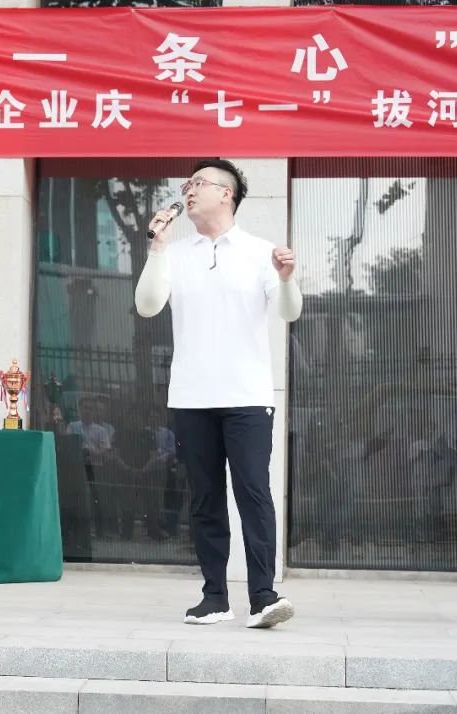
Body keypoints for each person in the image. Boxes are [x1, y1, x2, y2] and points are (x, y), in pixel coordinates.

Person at [134, 159, 303, 628]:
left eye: (199, 183)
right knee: (205, 498)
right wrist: (156, 248)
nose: (188, 191)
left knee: (254, 493)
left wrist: (287, 278)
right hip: (191, 397)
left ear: (227, 194)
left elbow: (289, 312)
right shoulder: (175, 253)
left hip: (247, 396)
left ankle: (264, 596)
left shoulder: (260, 251)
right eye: (186, 185)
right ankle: (214, 597)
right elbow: (147, 306)